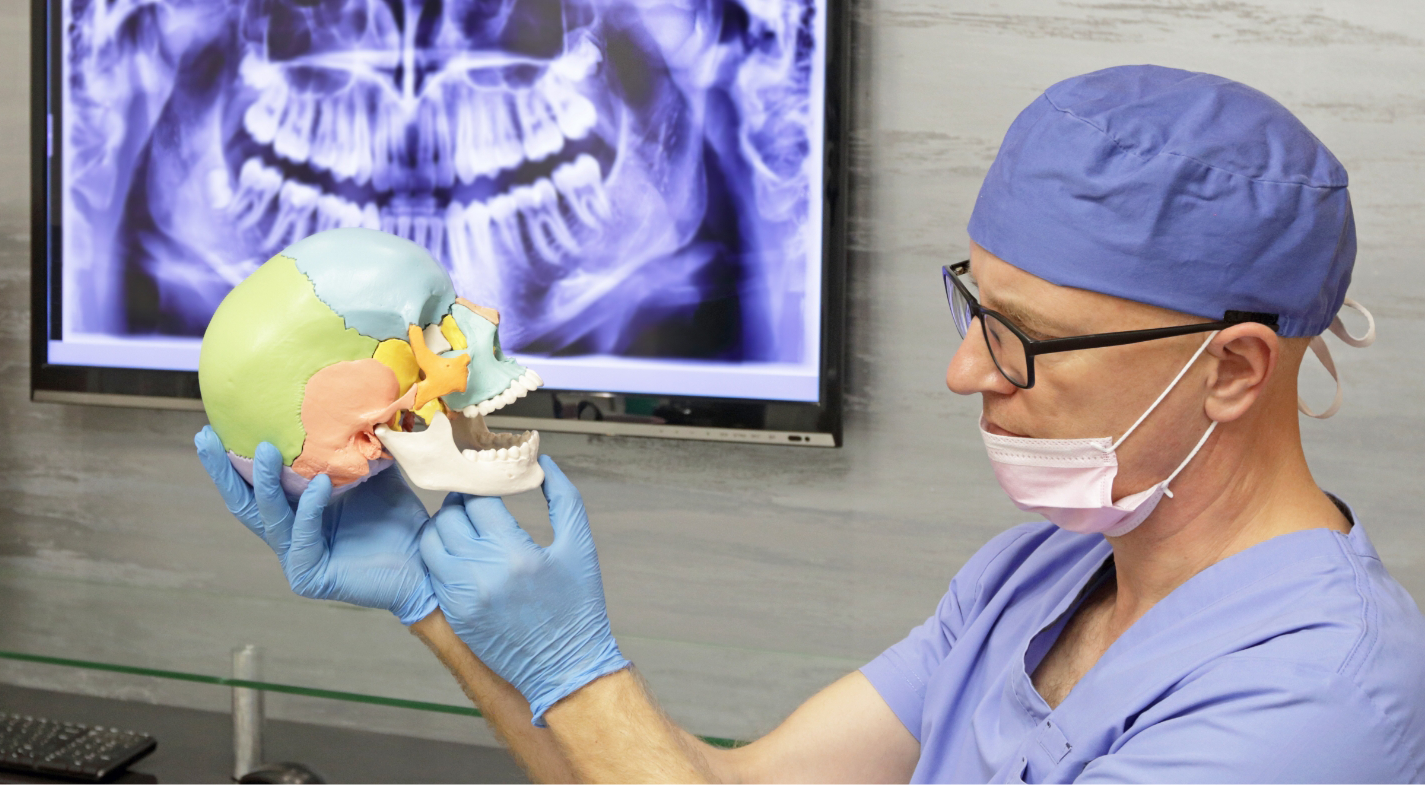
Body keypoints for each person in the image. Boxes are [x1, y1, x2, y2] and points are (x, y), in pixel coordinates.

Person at [195, 65, 1425, 783]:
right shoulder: (1038, 578)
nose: (963, 370)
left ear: (1233, 369)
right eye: (974, 306)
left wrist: (579, 665)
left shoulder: (1315, 701)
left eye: (1023, 335)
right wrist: (444, 608)